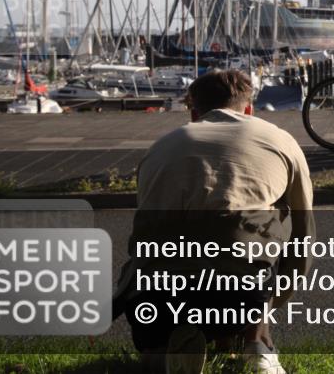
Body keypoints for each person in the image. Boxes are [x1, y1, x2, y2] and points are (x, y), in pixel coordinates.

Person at [113, 69, 314, 374]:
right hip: (240, 292)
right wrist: (270, 303)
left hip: (153, 296)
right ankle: (257, 345)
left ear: (193, 113)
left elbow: (143, 233)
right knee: (271, 219)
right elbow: (304, 238)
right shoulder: (280, 139)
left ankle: (163, 349)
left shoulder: (160, 147)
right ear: (248, 109)